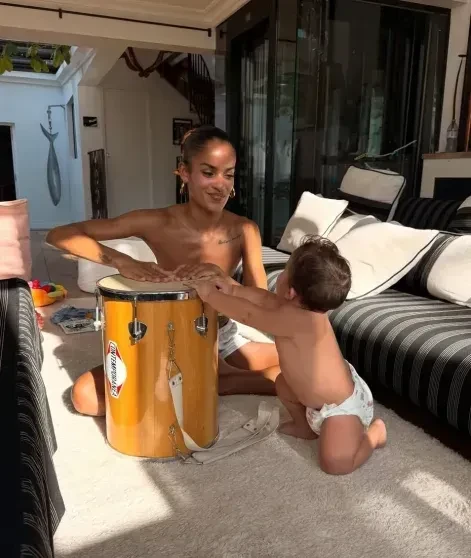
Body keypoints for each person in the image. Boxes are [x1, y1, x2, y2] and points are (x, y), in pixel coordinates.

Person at [46, 126, 280, 417]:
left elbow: (261, 303)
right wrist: (122, 260)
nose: (220, 185)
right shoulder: (157, 221)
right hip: (169, 336)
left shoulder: (244, 229)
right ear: (184, 173)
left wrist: (226, 281)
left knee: (304, 363)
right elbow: (60, 234)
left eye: (228, 174)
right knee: (85, 396)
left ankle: (218, 379)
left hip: (222, 335)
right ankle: (215, 379)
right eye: (208, 173)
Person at [191, 236, 387, 475]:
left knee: (335, 464)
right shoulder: (292, 308)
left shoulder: (303, 321)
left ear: (291, 291)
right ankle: (305, 426)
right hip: (312, 399)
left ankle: (374, 435)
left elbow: (250, 315)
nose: (281, 274)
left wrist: (211, 296)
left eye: (285, 270)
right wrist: (233, 289)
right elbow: (262, 298)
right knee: (283, 383)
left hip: (342, 408)